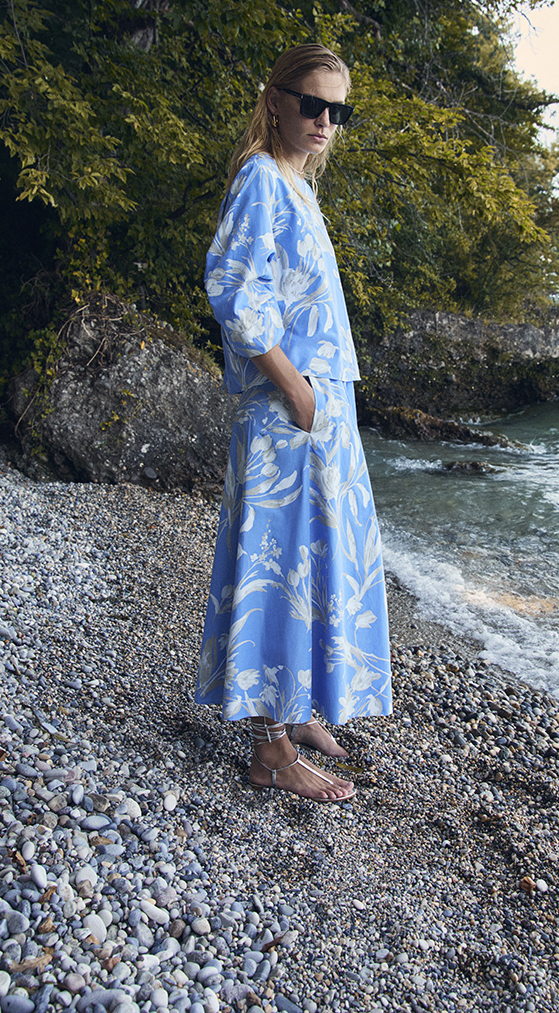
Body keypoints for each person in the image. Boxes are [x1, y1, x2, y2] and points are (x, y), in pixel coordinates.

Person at [195, 43, 392, 802]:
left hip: (319, 410)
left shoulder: (298, 186)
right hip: (287, 413)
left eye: (338, 111)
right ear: (275, 99)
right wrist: (297, 392)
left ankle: (296, 705)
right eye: (312, 103)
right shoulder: (259, 178)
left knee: (313, 559)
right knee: (278, 567)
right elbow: (235, 291)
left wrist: (323, 402)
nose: (325, 121)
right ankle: (270, 750)